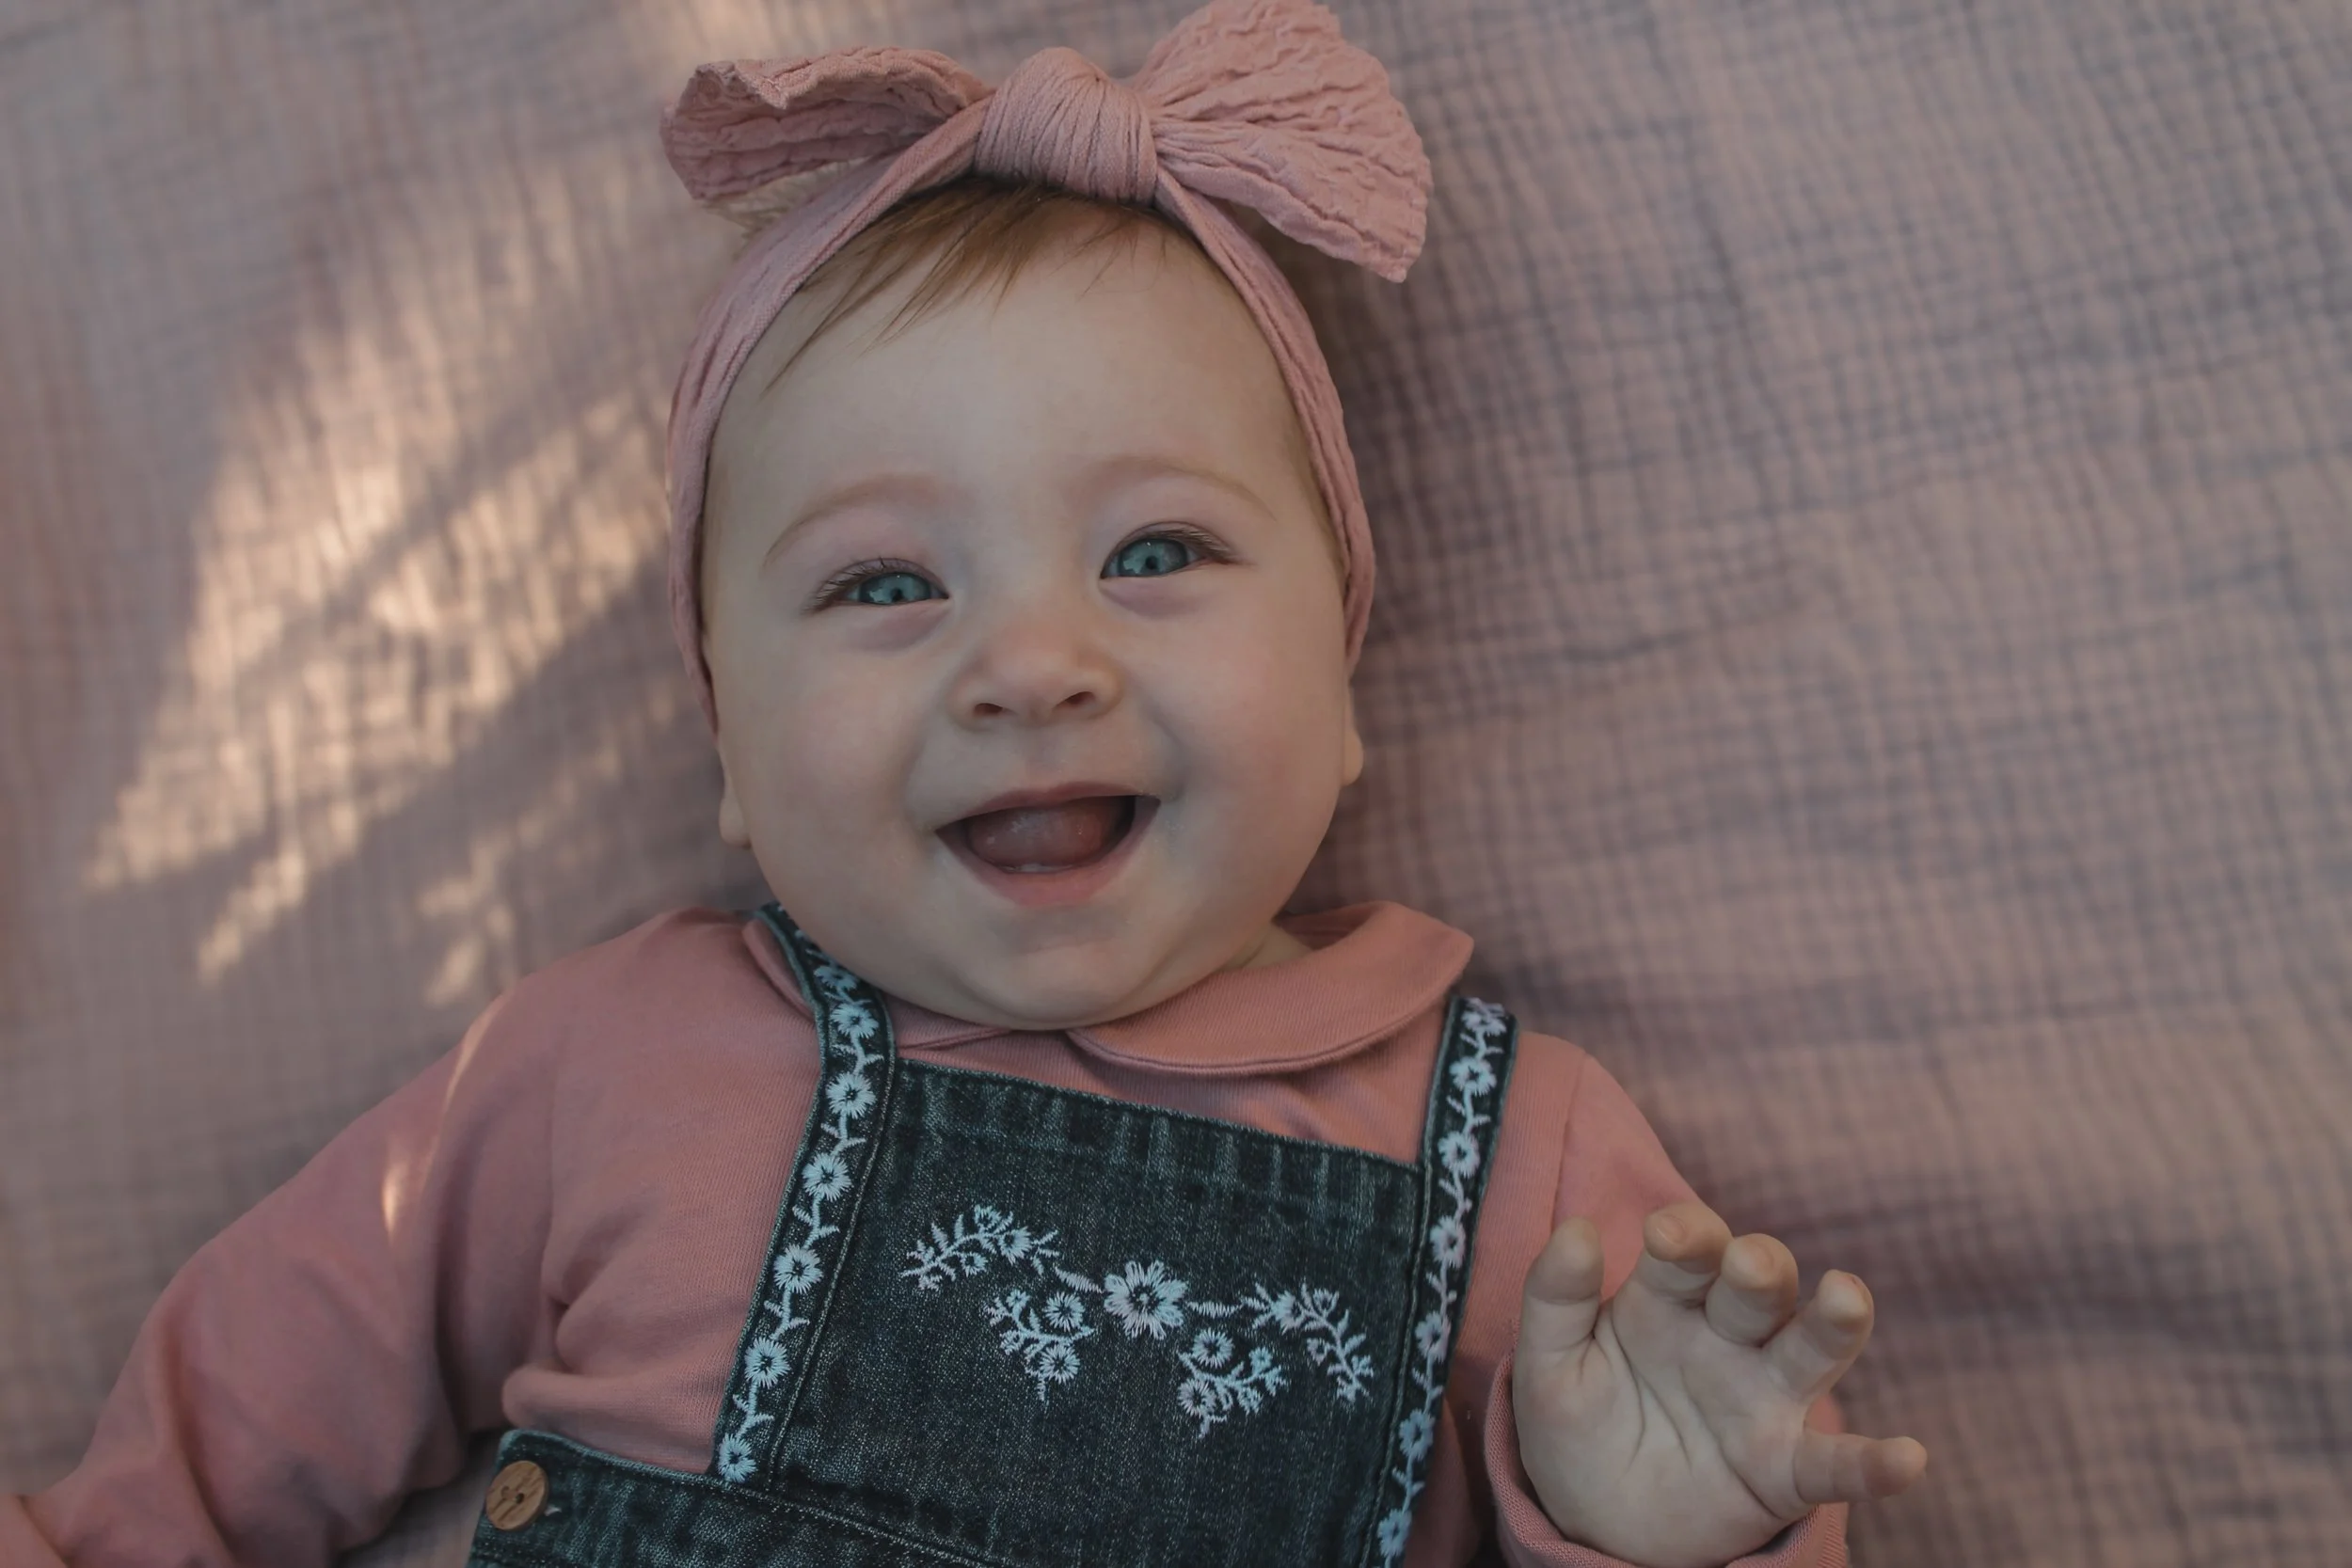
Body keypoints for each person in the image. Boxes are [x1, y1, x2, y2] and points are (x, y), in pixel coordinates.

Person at [1, 2, 1926, 1563]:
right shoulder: (597, 1059)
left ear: (1342, 685)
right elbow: (237, 1407)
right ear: (731, 754)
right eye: (885, 584)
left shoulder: (1532, 1165)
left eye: (1154, 551)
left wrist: (1663, 1524)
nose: (1028, 664)